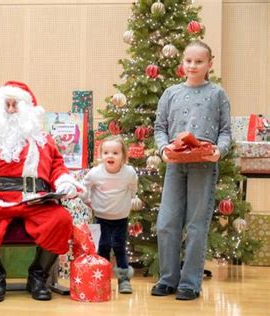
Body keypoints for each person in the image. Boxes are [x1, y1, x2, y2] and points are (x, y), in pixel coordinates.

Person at [0, 81, 84, 302]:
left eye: (16, 105)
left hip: (36, 200)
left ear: (28, 109)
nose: (11, 110)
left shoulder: (44, 139)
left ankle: (38, 277)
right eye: (7, 104)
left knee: (61, 219)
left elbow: (57, 167)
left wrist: (63, 182)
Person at [152, 40, 231, 300]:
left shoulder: (217, 94)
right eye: (189, 61)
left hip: (203, 166)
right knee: (166, 223)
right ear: (182, 63)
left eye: (199, 61)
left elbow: (226, 131)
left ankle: (190, 283)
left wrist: (220, 150)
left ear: (210, 64)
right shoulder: (170, 93)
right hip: (175, 165)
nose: (193, 66)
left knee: (196, 225)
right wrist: (163, 149)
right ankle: (167, 279)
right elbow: (160, 128)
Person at [79, 135, 137, 294]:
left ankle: (124, 279)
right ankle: (102, 277)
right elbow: (85, 185)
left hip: (121, 217)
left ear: (123, 157)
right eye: (106, 152)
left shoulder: (129, 173)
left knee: (119, 247)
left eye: (115, 153)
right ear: (101, 156)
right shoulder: (96, 173)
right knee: (103, 246)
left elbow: (133, 186)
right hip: (101, 217)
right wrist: (86, 199)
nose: (110, 156)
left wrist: (133, 197)